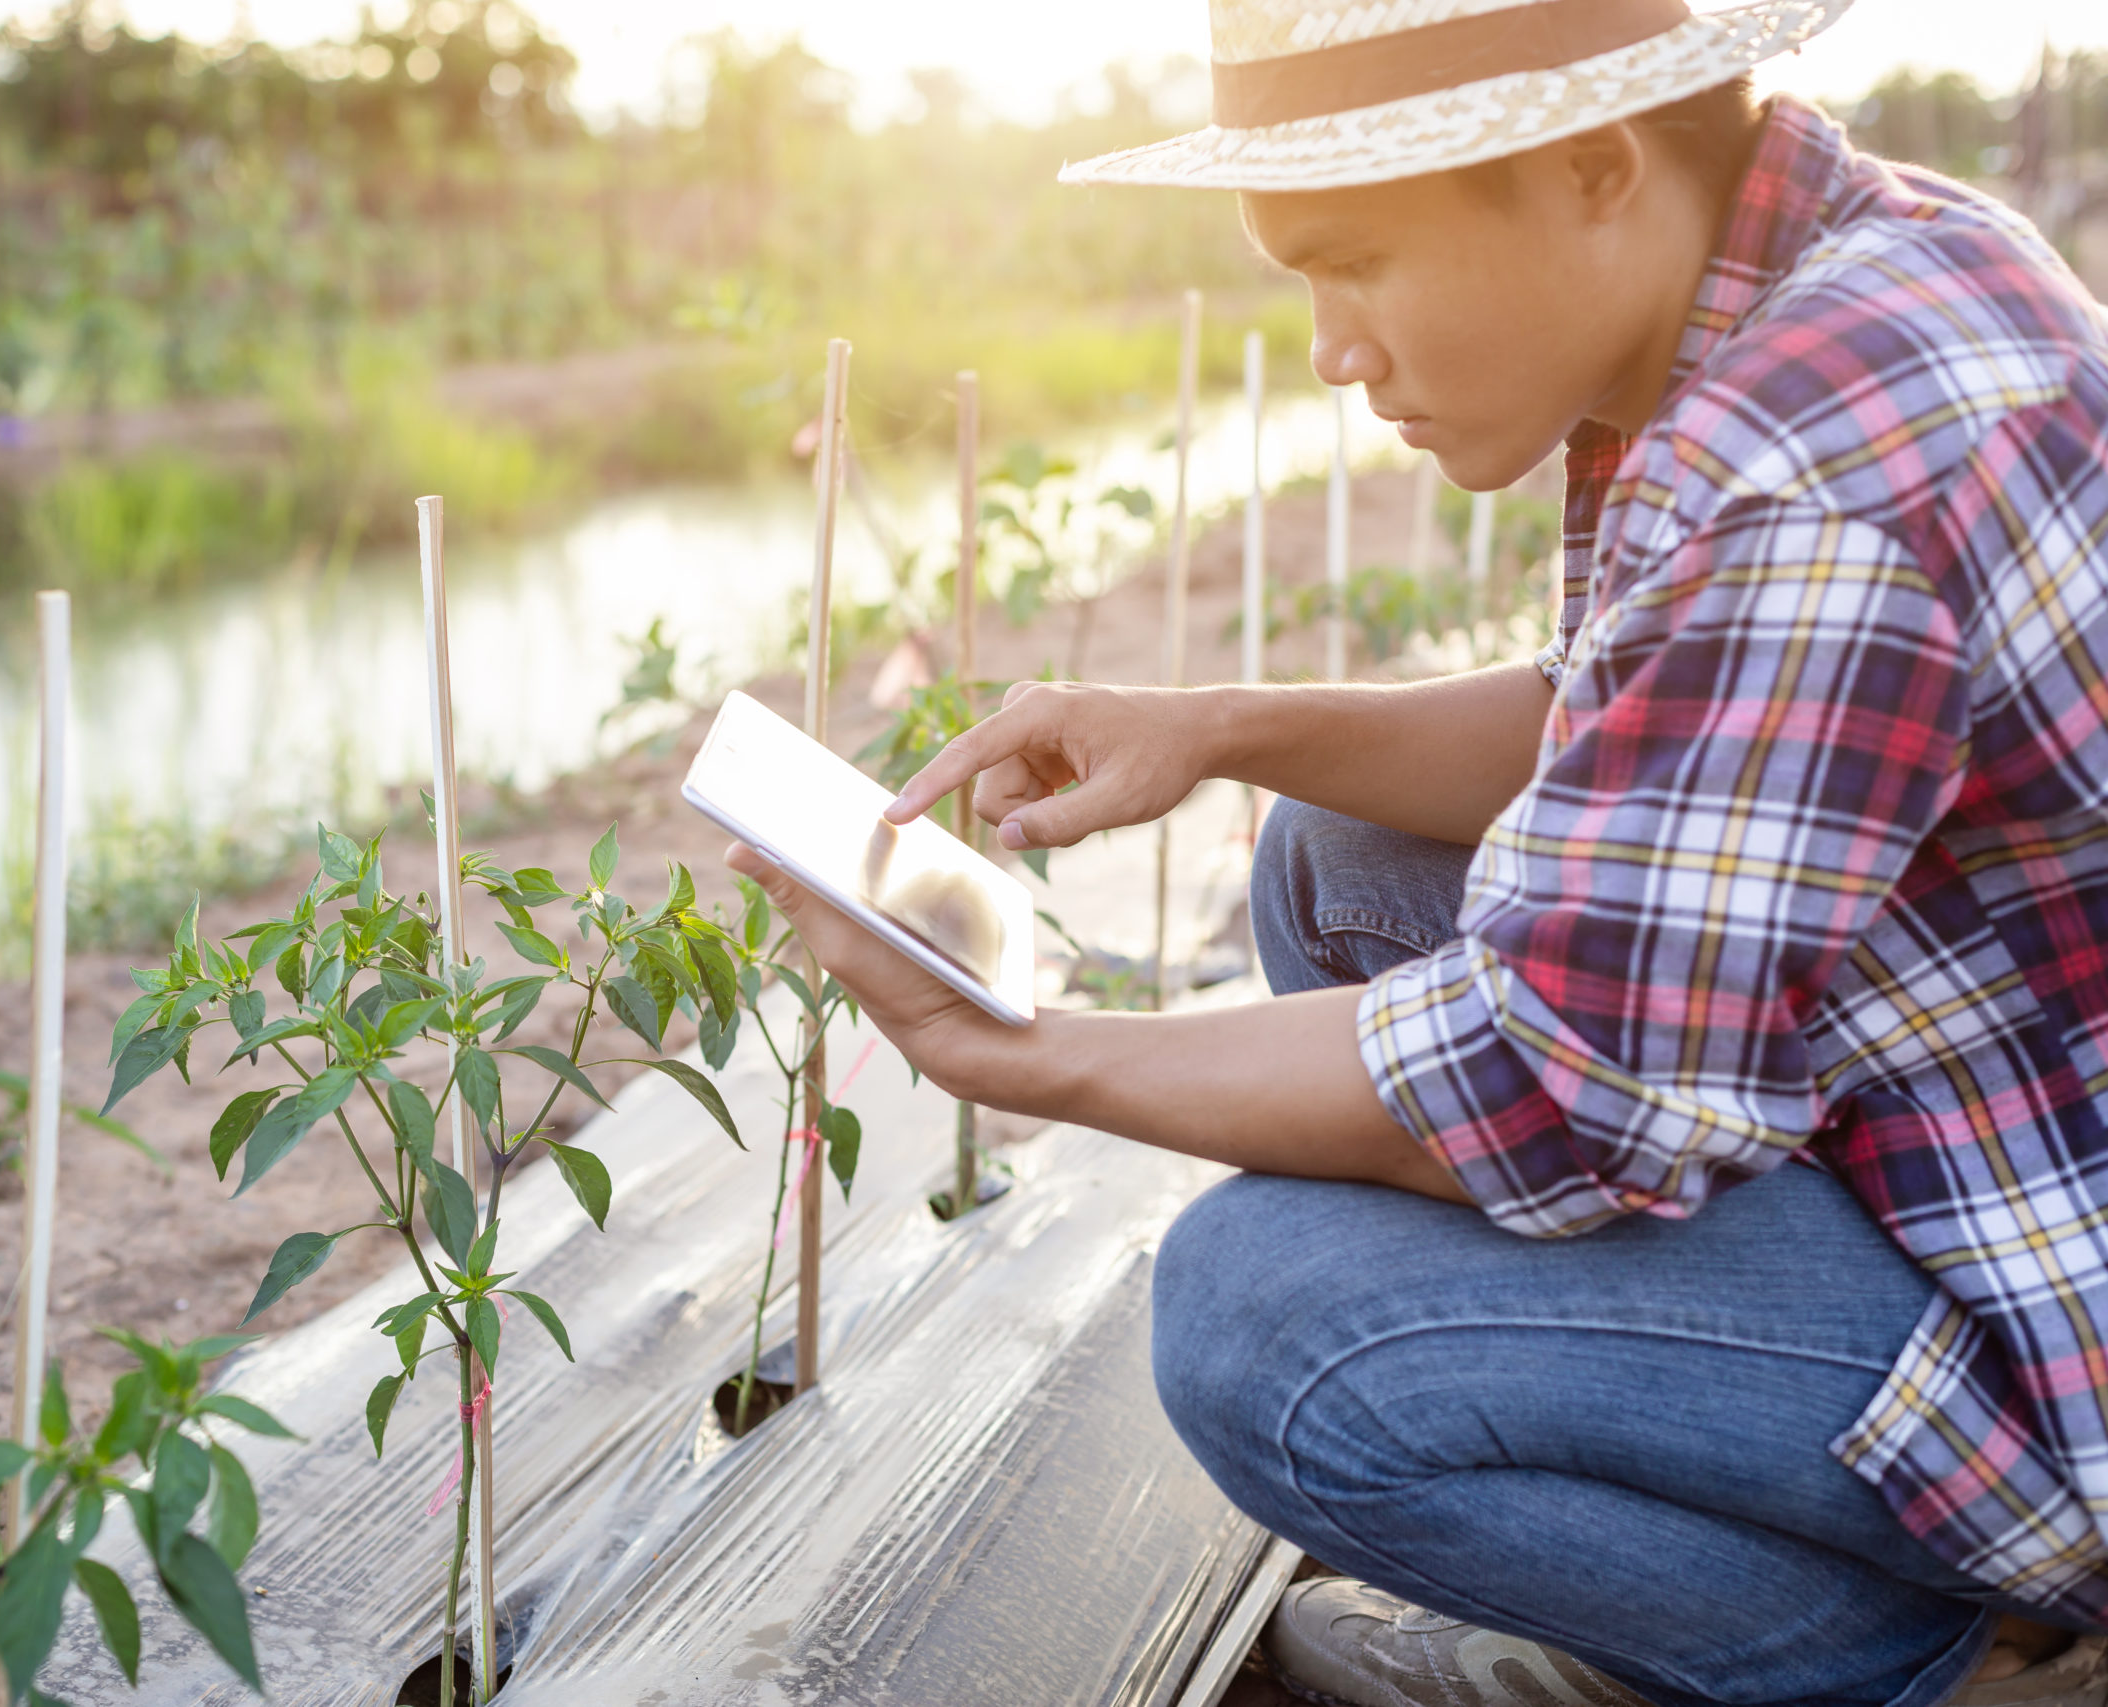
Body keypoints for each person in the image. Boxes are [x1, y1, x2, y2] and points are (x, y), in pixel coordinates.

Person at [721, 1, 2108, 1703]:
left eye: (1356, 260)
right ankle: (1739, 1540)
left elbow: (1563, 1090)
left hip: (2051, 1310)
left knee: (1263, 1323)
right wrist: (1222, 725)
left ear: (1594, 166)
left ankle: (1909, 1657)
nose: (1330, 350)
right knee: (1332, 855)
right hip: (1964, 1106)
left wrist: (1025, 1055)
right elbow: (1629, 722)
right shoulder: (1842, 274)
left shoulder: (1816, 468)